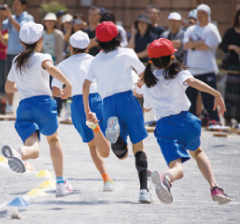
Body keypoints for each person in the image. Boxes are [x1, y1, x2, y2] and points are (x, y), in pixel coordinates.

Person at [135, 38, 231, 205]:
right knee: (198, 152)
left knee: (177, 167)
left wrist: (139, 87)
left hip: (165, 127)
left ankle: (166, 177)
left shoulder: (149, 84)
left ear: (150, 61)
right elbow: (193, 82)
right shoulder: (178, 73)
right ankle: (215, 187)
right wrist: (216, 94)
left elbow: (148, 108)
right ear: (173, 58)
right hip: (187, 122)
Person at [2, 22, 73, 197]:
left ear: (21, 41)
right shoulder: (43, 57)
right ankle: (60, 184)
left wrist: (24, 87)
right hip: (43, 104)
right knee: (53, 141)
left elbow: (8, 88)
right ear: (40, 40)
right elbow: (51, 68)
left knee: (33, 150)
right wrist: (68, 83)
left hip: (24, 106)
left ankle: (18, 153)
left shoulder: (16, 60)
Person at [82, 21, 151, 203]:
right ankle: (143, 190)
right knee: (139, 148)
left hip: (108, 104)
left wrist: (88, 110)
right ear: (118, 37)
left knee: (121, 155)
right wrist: (140, 83)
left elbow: (86, 85)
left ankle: (117, 139)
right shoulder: (127, 53)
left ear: (99, 42)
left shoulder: (95, 60)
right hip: (128, 100)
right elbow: (144, 72)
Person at [52, 31, 114, 191]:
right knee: (104, 137)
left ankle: (106, 179)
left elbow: (55, 91)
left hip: (79, 103)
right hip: (99, 99)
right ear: (88, 46)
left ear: (70, 47)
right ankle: (110, 135)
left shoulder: (63, 65)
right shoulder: (96, 60)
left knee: (92, 146)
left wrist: (64, 93)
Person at [183, 4, 221, 123]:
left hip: (207, 68)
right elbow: (185, 45)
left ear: (208, 15)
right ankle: (191, 122)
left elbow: (207, 46)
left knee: (209, 98)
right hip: (192, 70)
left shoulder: (212, 29)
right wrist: (200, 42)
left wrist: (194, 44)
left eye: (203, 13)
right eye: (198, 13)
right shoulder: (190, 29)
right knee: (190, 100)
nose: (200, 15)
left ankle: (214, 120)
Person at [0, 0, 34, 114]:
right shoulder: (10, 17)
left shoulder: (28, 18)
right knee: (10, 80)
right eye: (14, 4)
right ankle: (9, 106)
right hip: (10, 53)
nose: (14, 6)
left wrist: (9, 16)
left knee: (25, 79)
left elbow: (20, 29)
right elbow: (0, 28)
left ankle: (26, 105)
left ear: (24, 6)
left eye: (17, 4)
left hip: (23, 52)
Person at [219, 9, 240, 126]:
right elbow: (223, 45)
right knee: (230, 94)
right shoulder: (230, 31)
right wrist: (233, 47)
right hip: (233, 67)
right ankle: (228, 118)